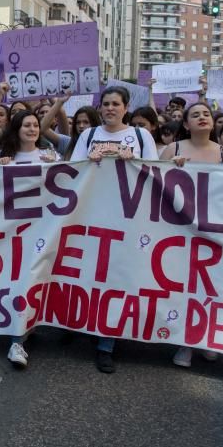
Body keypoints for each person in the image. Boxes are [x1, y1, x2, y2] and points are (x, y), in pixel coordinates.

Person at [69, 86, 157, 373]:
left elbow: (156, 172)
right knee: (90, 273)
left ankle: (106, 344)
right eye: (105, 104)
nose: (110, 108)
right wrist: (87, 163)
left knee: (116, 278)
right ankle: (83, 323)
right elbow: (72, 171)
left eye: (115, 104)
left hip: (128, 217)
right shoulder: (89, 135)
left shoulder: (141, 136)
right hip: (92, 213)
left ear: (126, 107)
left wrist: (137, 163)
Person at [159, 102, 223, 368]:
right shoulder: (173, 149)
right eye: (195, 115)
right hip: (179, 228)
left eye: (206, 114)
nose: (202, 117)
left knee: (209, 286)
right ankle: (185, 342)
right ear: (186, 124)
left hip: (213, 230)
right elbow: (153, 182)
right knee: (184, 286)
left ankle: (208, 339)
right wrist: (170, 168)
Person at [0, 110, 59, 368]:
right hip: (12, 231)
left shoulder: (51, 156)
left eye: (35, 125)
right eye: (26, 125)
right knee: (16, 281)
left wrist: (54, 165)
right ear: (17, 129)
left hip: (43, 230)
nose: (32, 129)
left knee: (31, 281)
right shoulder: (6, 158)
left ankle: (18, 340)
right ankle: (17, 335)